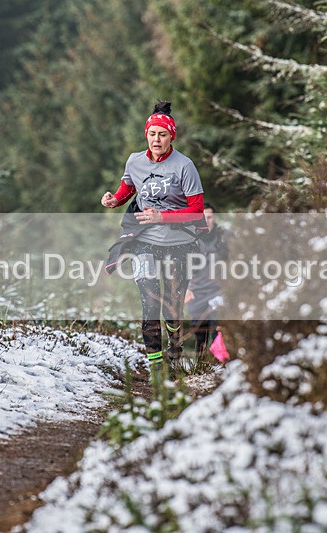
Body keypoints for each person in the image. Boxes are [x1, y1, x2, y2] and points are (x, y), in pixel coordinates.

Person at [101, 100, 205, 379]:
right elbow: (128, 188)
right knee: (150, 303)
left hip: (180, 243)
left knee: (172, 307)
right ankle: (157, 366)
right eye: (152, 134)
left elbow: (196, 210)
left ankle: (174, 344)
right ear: (146, 135)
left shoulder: (185, 166)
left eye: (162, 134)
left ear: (172, 136)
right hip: (144, 242)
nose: (157, 139)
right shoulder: (135, 160)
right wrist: (114, 199)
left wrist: (164, 217)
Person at [184, 203, 228, 359]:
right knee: (200, 336)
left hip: (218, 292)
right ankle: (201, 366)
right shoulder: (189, 239)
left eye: (209, 217)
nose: (206, 221)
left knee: (219, 330)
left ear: (214, 218)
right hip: (196, 294)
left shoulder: (224, 236)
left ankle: (222, 365)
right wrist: (185, 290)